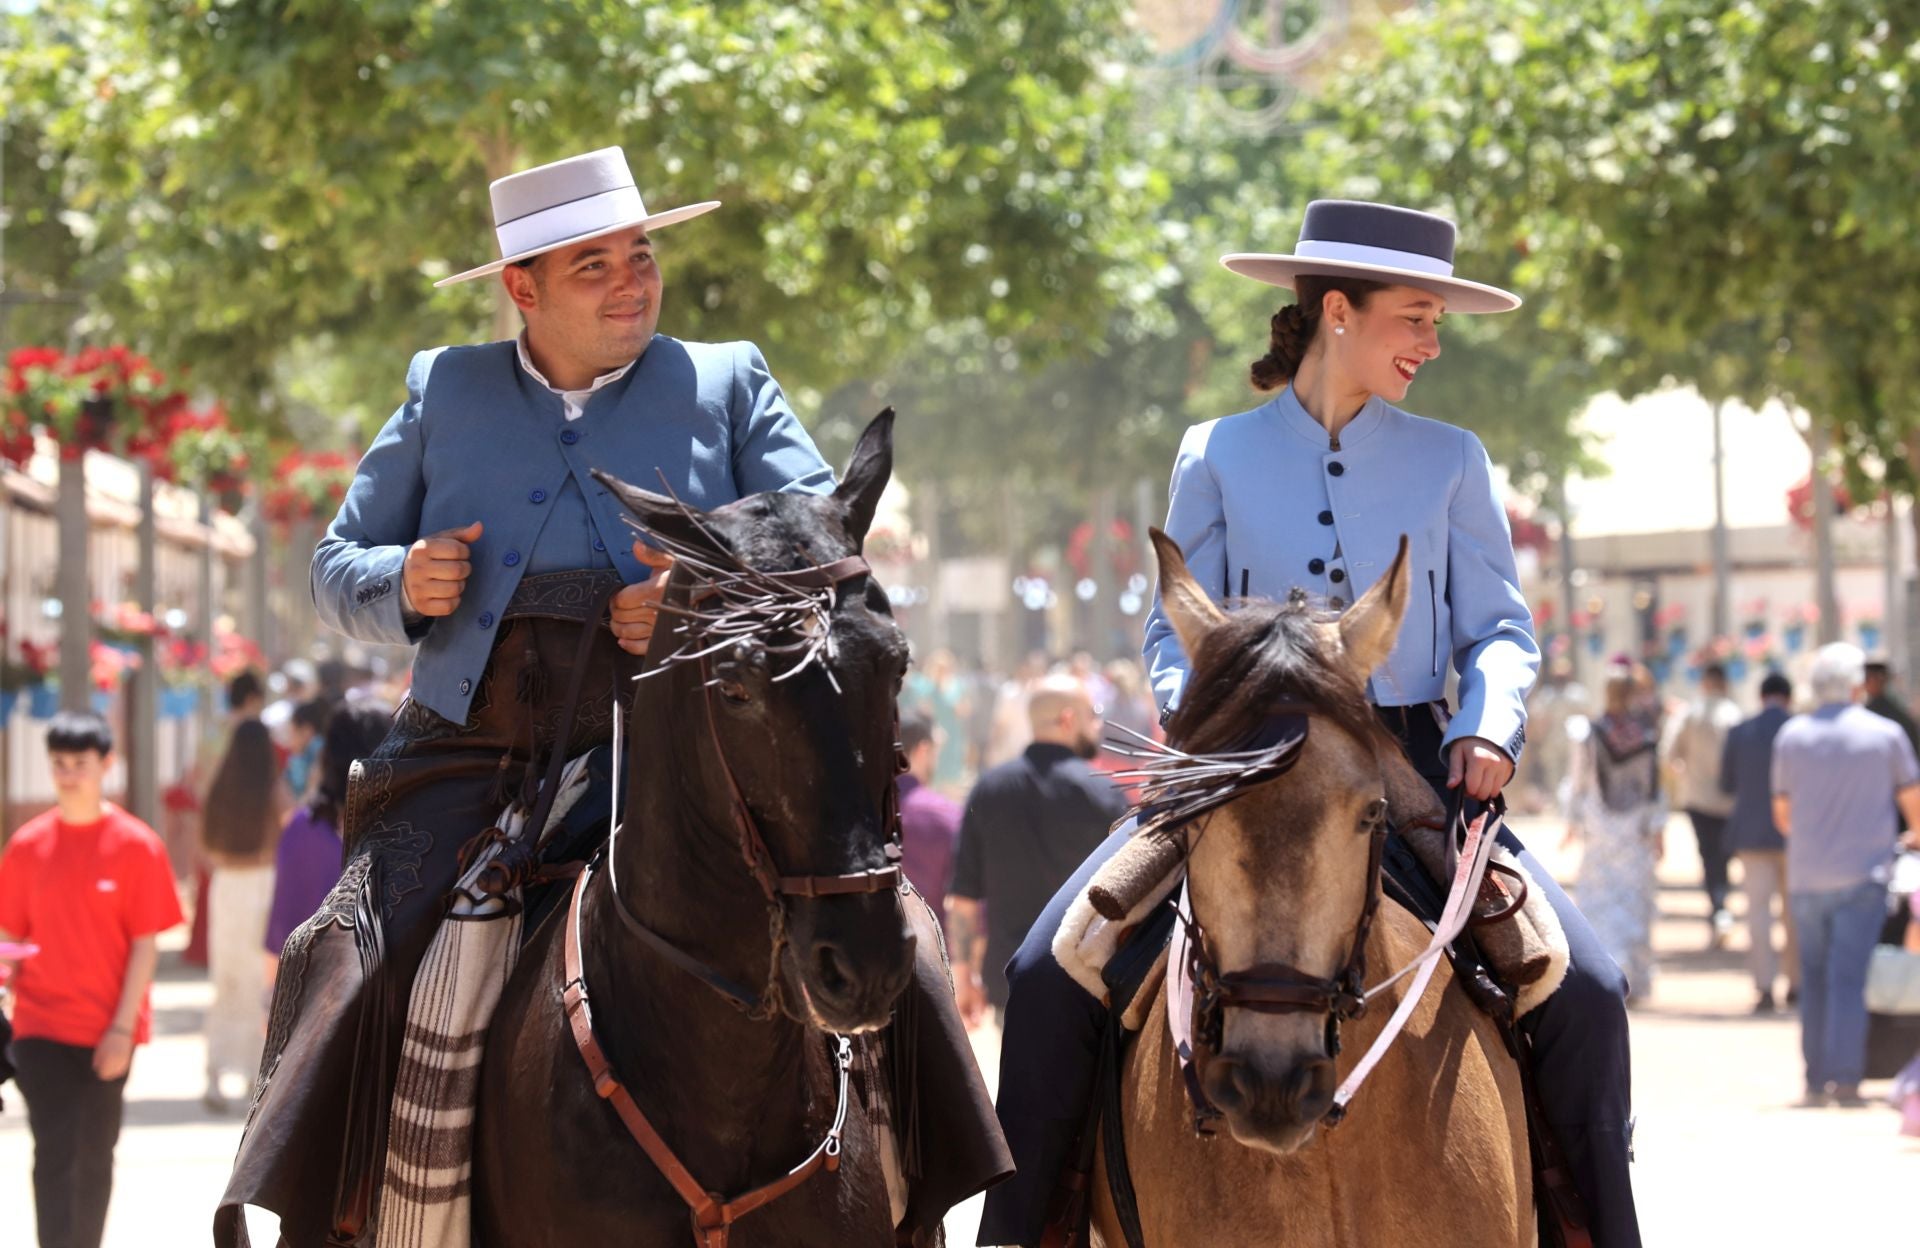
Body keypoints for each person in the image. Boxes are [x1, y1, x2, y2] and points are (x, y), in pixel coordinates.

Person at [217, 146, 1005, 1242]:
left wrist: (694, 595)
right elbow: (333, 565)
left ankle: (923, 1210)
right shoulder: (443, 387)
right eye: (596, 265)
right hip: (474, 753)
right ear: (522, 290)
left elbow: (812, 544)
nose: (633, 280)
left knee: (894, 931)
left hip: (691, 751)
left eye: (641, 255)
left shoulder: (729, 379)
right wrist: (398, 582)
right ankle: (339, 1219)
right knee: (349, 955)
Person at [982, 200, 1640, 1248]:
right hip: (1236, 768)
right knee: (1043, 972)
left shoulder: (1453, 458)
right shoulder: (1216, 453)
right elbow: (1171, 622)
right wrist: (1197, 713)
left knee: (1590, 988)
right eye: (1416, 318)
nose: (1431, 342)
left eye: (1435, 323)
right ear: (1340, 311)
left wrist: (1490, 725)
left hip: (1421, 766)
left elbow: (1503, 629)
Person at [0, 711, 184, 1248]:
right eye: (59, 764)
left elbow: (145, 943)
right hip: (39, 1026)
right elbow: (9, 939)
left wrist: (123, 1029)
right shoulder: (27, 847)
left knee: (95, 1152)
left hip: (109, 1028)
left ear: (107, 765)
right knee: (54, 1149)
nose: (68, 775)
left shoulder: (137, 846)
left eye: (80, 764)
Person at [1771, 643, 1920, 1107]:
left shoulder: (1792, 736)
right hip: (1865, 875)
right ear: (1857, 684)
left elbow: (1782, 814)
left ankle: (1815, 1080)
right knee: (1848, 978)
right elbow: (1912, 801)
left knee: (1812, 977)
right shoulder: (1886, 733)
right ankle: (1847, 1079)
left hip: (1806, 875)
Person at [949, 675, 1126, 1029]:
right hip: (1090, 986)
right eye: (1092, 714)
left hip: (1012, 983)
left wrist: (964, 975)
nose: (1097, 724)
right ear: (1067, 719)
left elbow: (963, 900)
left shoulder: (988, 790)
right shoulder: (1103, 794)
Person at [199, 718, 291, 1112]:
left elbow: (206, 845)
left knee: (226, 979)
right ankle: (257, 1073)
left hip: (228, 885)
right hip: (264, 885)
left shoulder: (220, 788)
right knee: (261, 980)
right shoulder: (274, 789)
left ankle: (217, 1074)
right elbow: (289, 828)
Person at [263, 703, 393, 973]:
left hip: (312, 1002)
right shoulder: (406, 835)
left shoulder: (302, 829)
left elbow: (280, 938)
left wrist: (271, 1007)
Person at [1567, 664, 1667, 1001]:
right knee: (1634, 901)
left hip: (1599, 826)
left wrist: (1572, 822)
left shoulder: (1589, 733)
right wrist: (1657, 830)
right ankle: (1635, 978)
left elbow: (1578, 782)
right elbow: (1654, 789)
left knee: (1599, 901)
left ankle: (1604, 977)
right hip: (1634, 829)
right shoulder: (1646, 734)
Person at [1721, 671, 1800, 1011]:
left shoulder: (1740, 732)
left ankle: (1764, 987)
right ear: (1789, 696)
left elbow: (1726, 783)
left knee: (1758, 914)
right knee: (1794, 914)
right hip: (1796, 835)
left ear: (1761, 695)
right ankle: (1797, 985)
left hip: (1751, 834)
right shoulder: (1800, 732)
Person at [1663, 662, 1740, 945]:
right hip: (1729, 800)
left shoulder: (1689, 713)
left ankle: (1717, 906)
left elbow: (1669, 753)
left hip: (1697, 797)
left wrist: (1684, 774)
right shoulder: (1735, 715)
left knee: (1708, 855)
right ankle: (1721, 904)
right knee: (1724, 855)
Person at [897, 714, 962, 924]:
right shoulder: (944, 815)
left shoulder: (863, 813)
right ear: (923, 750)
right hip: (928, 947)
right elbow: (966, 898)